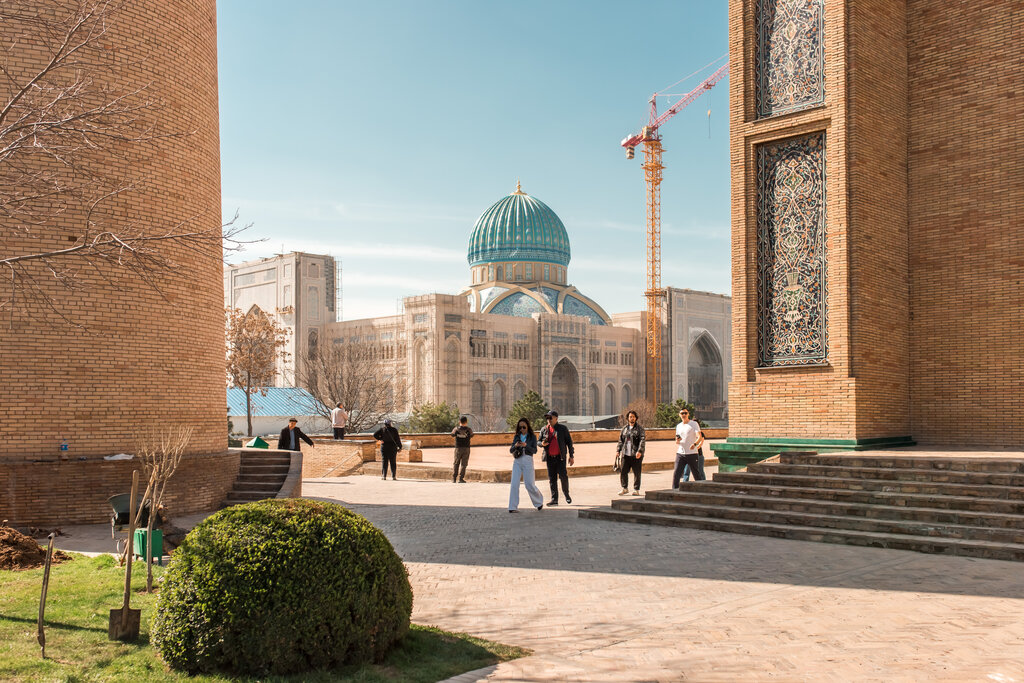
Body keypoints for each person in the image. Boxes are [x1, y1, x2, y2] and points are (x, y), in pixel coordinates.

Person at [508, 417, 544, 513]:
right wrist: (515, 446)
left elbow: (534, 451)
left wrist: (525, 445)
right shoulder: (517, 436)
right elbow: (511, 450)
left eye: (524, 427)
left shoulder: (532, 437)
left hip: (528, 460)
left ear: (527, 426)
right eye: (520, 428)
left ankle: (539, 502)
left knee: (529, 484)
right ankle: (512, 507)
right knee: (514, 484)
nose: (522, 429)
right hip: (517, 460)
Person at [539, 410, 574, 505]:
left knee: (563, 477)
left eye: (550, 418)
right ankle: (554, 499)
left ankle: (566, 494)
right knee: (552, 479)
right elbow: (538, 442)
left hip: (560, 458)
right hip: (550, 458)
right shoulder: (544, 429)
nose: (548, 420)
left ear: (556, 418)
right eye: (547, 418)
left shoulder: (563, 429)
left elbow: (569, 442)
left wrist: (571, 456)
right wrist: (542, 444)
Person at [672, 407, 705, 488]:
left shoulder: (693, 424)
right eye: (682, 413)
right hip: (680, 453)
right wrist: (677, 440)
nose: (684, 415)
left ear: (688, 414)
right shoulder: (678, 426)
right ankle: (674, 490)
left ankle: (702, 490)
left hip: (692, 454)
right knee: (676, 474)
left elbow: (699, 436)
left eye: (685, 413)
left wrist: (695, 444)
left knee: (696, 474)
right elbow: (677, 441)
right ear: (679, 415)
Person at [616, 409, 646, 495]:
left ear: (636, 418)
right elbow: (620, 440)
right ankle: (624, 488)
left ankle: (636, 489)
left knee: (637, 472)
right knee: (623, 472)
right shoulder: (624, 429)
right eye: (630, 417)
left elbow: (642, 440)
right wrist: (618, 450)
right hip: (625, 454)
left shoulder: (640, 429)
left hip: (636, 454)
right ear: (628, 418)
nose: (632, 418)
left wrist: (639, 451)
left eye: (633, 417)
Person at [681, 408, 706, 482]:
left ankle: (703, 483)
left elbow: (701, 442)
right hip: (688, 454)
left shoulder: (700, 433)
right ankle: (685, 484)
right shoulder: (688, 432)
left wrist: (695, 447)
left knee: (700, 471)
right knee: (686, 471)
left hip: (698, 455)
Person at [450, 416, 474, 483]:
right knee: (464, 464)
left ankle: (454, 478)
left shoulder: (456, 429)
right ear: (466, 422)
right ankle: (461, 478)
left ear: (459, 422)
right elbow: (472, 435)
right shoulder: (469, 430)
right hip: (466, 448)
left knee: (456, 463)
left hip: (458, 448)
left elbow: (452, 434)